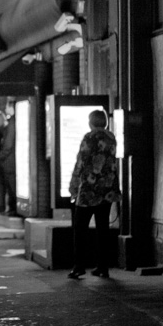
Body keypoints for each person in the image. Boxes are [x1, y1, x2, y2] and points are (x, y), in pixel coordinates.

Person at [67, 110, 121, 280]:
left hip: (89, 190)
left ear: (91, 122)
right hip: (107, 190)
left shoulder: (89, 138)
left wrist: (73, 186)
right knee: (102, 229)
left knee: (80, 229)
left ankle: (78, 266)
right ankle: (103, 267)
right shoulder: (111, 138)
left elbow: (80, 162)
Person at [0, 105, 19, 216]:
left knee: (11, 186)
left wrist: (1, 157)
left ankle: (14, 209)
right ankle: (13, 208)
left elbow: (8, 144)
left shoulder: (12, 122)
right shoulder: (14, 121)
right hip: (12, 160)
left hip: (10, 161)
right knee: (11, 186)